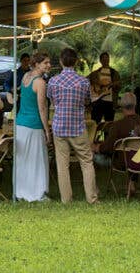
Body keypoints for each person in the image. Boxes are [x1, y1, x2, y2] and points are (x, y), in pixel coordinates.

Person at [47, 47, 98, 204]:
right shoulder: (83, 82)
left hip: (59, 127)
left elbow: (52, 102)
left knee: (62, 164)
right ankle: (92, 198)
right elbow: (88, 101)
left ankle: (66, 199)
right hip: (77, 126)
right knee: (86, 161)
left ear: (61, 61)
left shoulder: (53, 81)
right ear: (75, 62)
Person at [15, 51, 51, 202]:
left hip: (20, 123)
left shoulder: (25, 77)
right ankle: (37, 192)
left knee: (23, 160)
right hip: (33, 125)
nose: (49, 65)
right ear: (37, 64)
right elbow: (42, 109)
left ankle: (21, 190)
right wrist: (47, 130)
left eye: (49, 63)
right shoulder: (40, 82)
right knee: (37, 160)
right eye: (45, 63)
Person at [95, 92, 140, 165]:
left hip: (123, 162)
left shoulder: (118, 125)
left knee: (96, 156)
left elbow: (107, 148)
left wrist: (97, 148)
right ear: (135, 104)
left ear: (121, 105)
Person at [87, 52, 121, 124]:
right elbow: (85, 81)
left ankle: (107, 135)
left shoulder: (114, 73)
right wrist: (96, 86)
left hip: (110, 102)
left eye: (107, 58)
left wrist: (115, 85)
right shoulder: (95, 73)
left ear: (109, 59)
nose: (105, 60)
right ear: (100, 60)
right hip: (97, 101)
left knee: (108, 125)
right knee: (95, 124)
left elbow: (119, 87)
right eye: (103, 58)